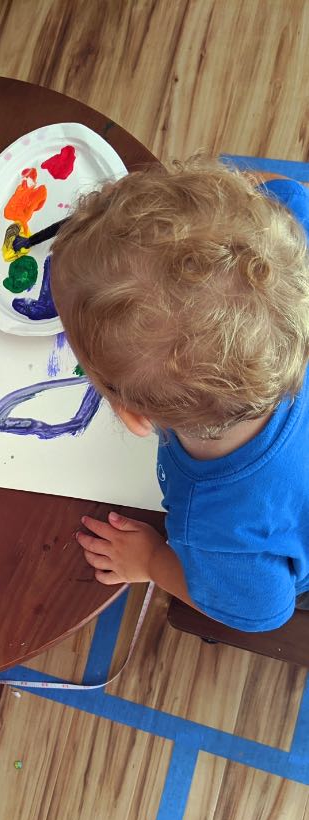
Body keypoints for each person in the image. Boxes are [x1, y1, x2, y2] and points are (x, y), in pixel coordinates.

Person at [49, 161, 309, 632]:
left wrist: (151, 561)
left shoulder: (215, 524)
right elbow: (289, 192)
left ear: (131, 415)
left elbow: (264, 612)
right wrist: (225, 210)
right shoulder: (292, 261)